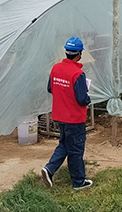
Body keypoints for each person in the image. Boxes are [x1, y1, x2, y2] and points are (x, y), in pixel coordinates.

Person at [40, 37, 93, 190]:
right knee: (76, 149)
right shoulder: (77, 74)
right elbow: (82, 99)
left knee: (64, 144)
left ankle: (49, 169)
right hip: (74, 118)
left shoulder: (56, 68)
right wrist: (87, 95)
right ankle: (78, 182)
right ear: (79, 54)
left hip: (59, 115)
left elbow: (50, 88)